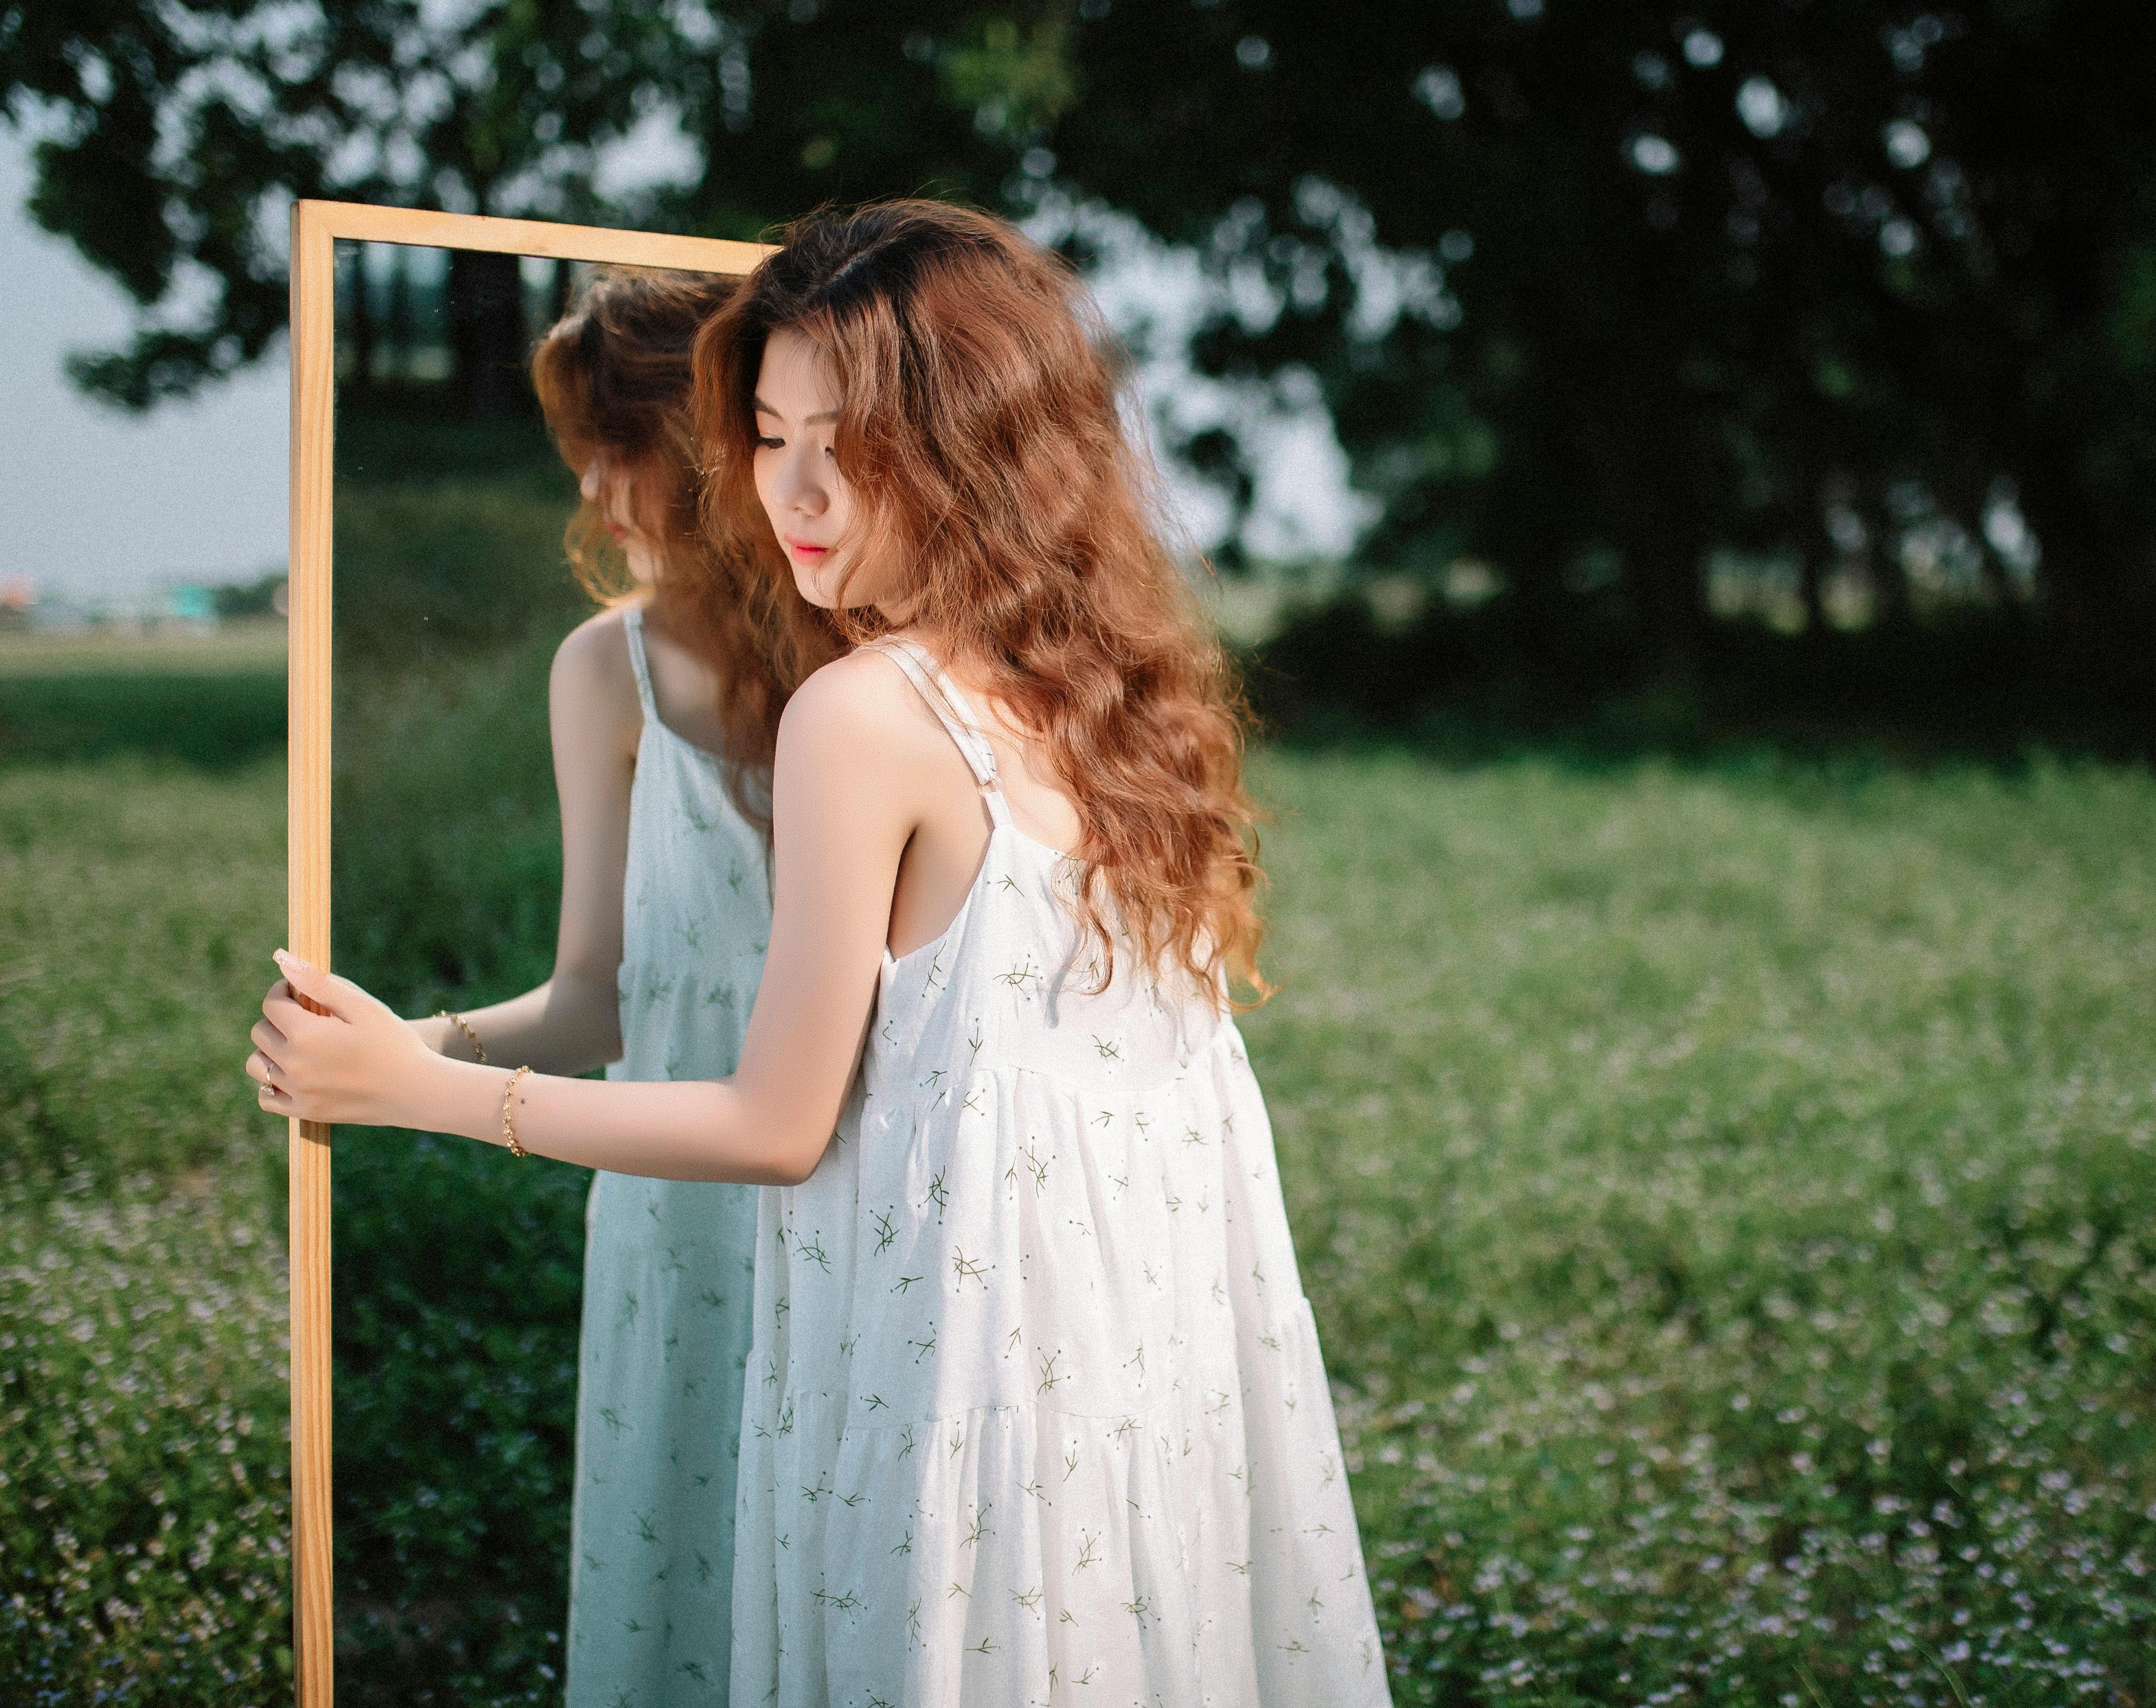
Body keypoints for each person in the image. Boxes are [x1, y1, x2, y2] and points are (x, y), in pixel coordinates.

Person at [248, 200, 1392, 1704]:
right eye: (768, 432)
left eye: (846, 441)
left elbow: (775, 1123)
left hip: (954, 1380)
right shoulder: (1122, 701)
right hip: (1136, 1384)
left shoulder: (861, 713)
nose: (793, 489)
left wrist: (422, 1084)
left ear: (971, 444)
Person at [402, 265, 827, 1705]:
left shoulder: (881, 640)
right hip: (685, 1209)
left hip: (879, 1190)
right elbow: (596, 996)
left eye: (614, 440)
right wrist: (412, 1048)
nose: (591, 486)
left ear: (710, 435)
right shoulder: (610, 672)